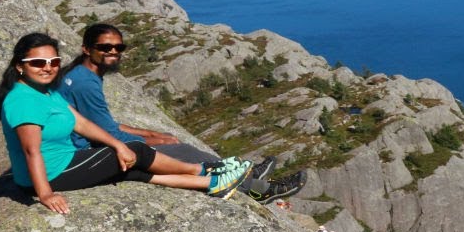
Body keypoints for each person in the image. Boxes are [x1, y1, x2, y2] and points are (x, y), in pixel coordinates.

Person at [0, 33, 252, 215]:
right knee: (137, 151)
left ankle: (212, 185)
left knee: (129, 166)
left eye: (54, 62)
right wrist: (46, 194)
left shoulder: (47, 92)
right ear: (20, 66)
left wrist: (117, 145)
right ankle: (203, 170)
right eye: (38, 63)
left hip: (64, 162)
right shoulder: (22, 100)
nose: (48, 68)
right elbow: (31, 151)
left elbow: (80, 123)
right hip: (51, 174)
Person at [57, 23, 304, 203]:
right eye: (105, 47)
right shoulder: (85, 83)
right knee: (183, 150)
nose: (113, 51)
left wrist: (151, 133)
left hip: (91, 146)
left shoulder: (80, 74)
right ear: (87, 49)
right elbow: (107, 134)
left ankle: (248, 175)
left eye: (118, 47)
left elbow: (103, 123)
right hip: (92, 153)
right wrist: (153, 140)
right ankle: (256, 187)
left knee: (170, 142)